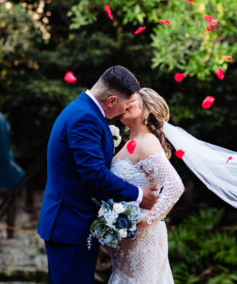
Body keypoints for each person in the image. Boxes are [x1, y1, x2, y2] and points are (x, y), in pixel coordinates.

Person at [37, 66, 160, 284]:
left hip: (72, 225)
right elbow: (94, 174)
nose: (125, 110)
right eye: (124, 105)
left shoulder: (83, 111)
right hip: (70, 226)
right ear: (112, 100)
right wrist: (139, 195)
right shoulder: (85, 118)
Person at [109, 87, 185, 283]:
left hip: (144, 239)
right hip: (126, 240)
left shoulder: (147, 142)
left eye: (131, 100)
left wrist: (146, 220)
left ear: (148, 110)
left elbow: (175, 185)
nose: (124, 103)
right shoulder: (128, 144)